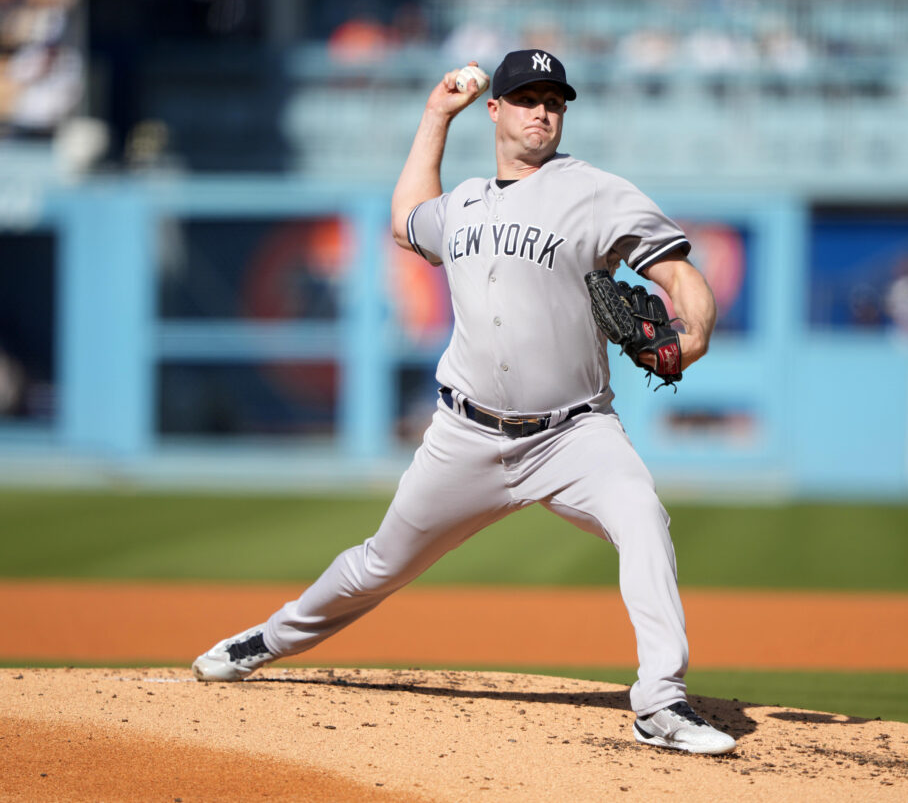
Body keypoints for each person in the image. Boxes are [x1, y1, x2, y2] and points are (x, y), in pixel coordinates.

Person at [192, 50, 734, 756]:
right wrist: (433, 116)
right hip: (466, 435)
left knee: (643, 518)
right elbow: (405, 219)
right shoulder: (467, 203)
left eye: (554, 99)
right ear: (496, 110)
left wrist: (691, 338)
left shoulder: (597, 192)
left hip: (574, 433)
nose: (543, 110)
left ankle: (660, 702)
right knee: (378, 563)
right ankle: (263, 639)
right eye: (528, 96)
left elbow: (679, 275)